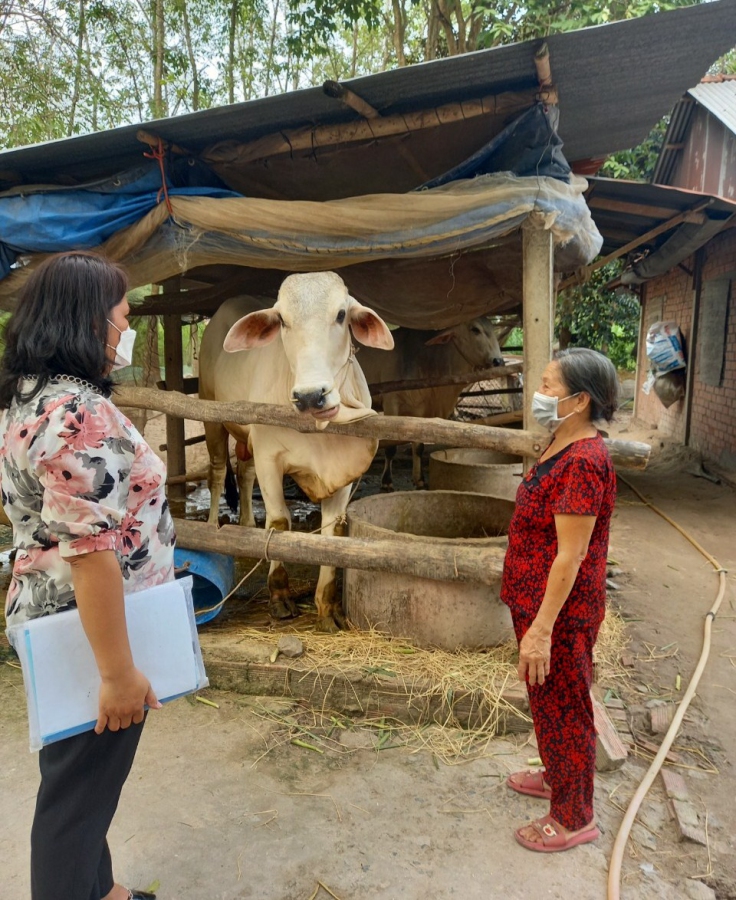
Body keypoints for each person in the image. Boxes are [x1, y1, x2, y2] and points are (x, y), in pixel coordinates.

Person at [0, 251, 175, 899]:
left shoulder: (26, 400)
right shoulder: (79, 413)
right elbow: (90, 548)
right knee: (74, 802)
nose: (126, 332)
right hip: (90, 630)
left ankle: (103, 890)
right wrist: (117, 673)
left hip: (53, 620)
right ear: (88, 321)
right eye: (123, 317)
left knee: (79, 779)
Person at [500, 347, 618, 853]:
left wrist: (543, 629)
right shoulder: (559, 442)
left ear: (580, 400)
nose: (540, 394)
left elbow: (570, 557)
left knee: (566, 706)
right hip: (534, 601)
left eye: (549, 387)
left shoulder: (586, 462)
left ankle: (574, 817)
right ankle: (556, 776)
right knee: (545, 699)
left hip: (561, 614)